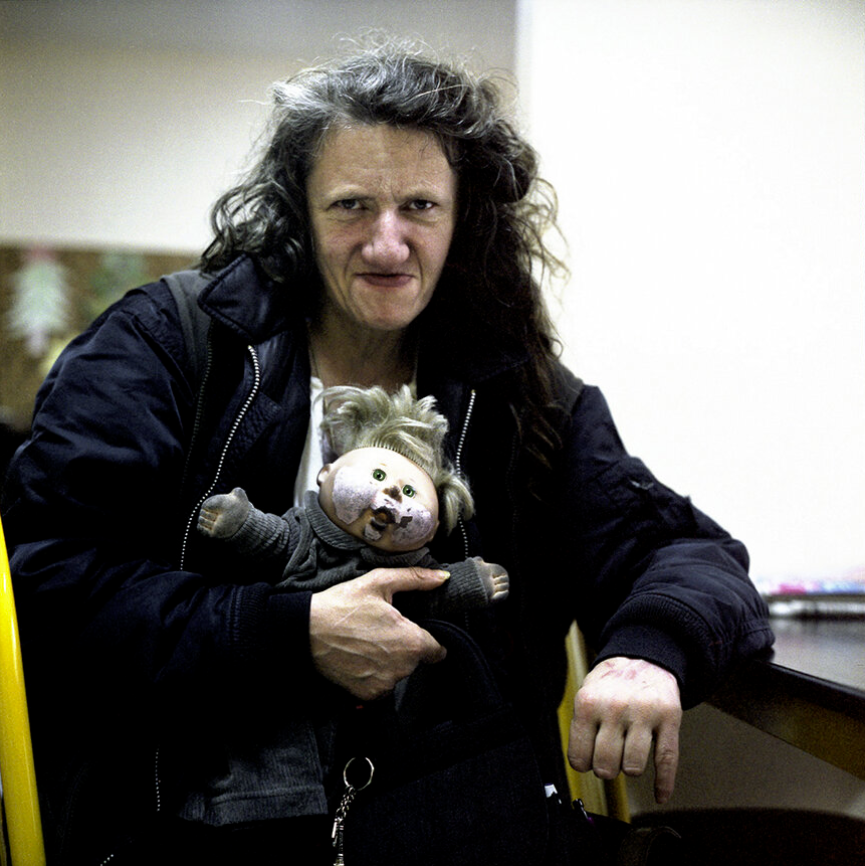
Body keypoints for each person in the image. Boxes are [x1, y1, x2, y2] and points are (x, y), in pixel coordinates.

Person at [1, 37, 773, 865]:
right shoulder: (165, 345)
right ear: (297, 210)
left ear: (462, 216)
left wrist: (646, 652)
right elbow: (55, 584)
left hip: (464, 823)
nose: (386, 243)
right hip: (198, 830)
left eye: (419, 207)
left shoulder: (518, 389)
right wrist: (288, 632)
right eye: (351, 207)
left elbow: (685, 552)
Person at [196, 384, 509, 613]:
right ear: (326, 473)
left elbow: (437, 590)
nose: (394, 491)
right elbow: (273, 538)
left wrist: (472, 581)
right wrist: (240, 521)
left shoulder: (410, 567)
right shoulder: (305, 535)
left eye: (410, 492)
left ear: (433, 527)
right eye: (378, 475)